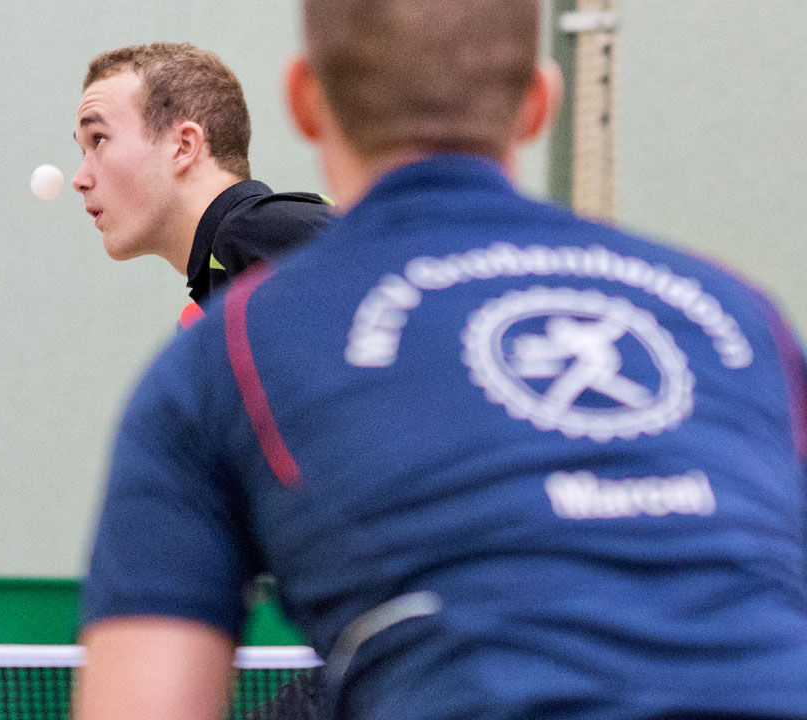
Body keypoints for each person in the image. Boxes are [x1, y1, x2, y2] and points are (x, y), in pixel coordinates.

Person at [75, 1, 807, 719]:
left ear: (304, 101)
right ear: (539, 102)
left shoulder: (233, 345)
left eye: (97, 140)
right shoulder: (745, 318)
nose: (80, 175)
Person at [72, 43, 333, 318]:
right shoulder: (225, 280)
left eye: (98, 139)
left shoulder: (260, 232)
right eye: (82, 151)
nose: (79, 180)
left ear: (183, 146)